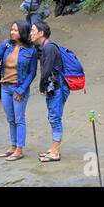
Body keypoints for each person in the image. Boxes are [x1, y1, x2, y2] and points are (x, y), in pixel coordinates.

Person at [0, 20, 38, 161]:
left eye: (15, 30)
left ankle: (19, 149)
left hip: (19, 88)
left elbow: (32, 73)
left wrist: (22, 90)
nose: (12, 32)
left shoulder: (31, 50)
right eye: (12, 29)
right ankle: (12, 146)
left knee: (19, 119)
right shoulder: (6, 45)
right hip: (5, 87)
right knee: (10, 119)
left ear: (22, 32)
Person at [30, 21, 70, 162]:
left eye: (33, 30)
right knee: (53, 117)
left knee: (55, 118)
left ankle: (55, 152)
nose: (31, 33)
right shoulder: (45, 47)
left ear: (41, 33)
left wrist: (41, 87)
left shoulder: (49, 48)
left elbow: (46, 70)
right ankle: (53, 148)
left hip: (58, 88)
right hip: (55, 87)